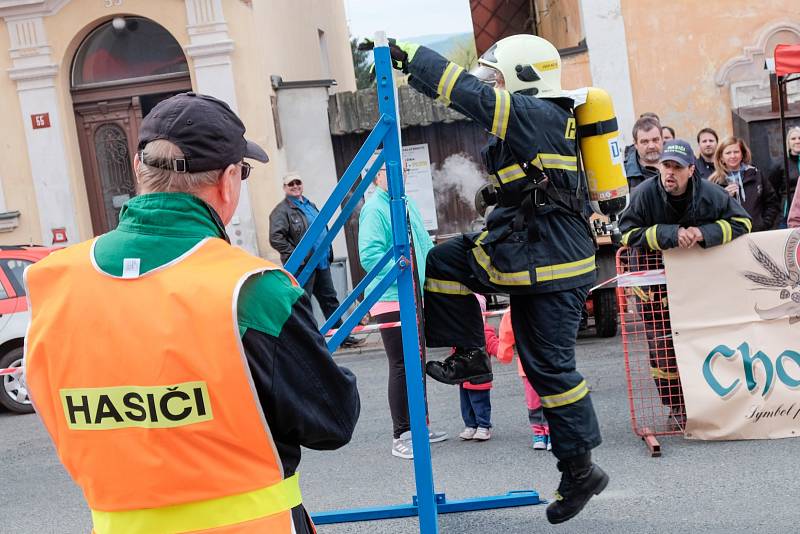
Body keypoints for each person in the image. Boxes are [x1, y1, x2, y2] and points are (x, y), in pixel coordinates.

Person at [23, 93, 360, 534]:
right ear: (227, 180)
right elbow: (332, 421)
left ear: (141, 173)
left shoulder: (53, 282)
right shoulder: (251, 291)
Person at [362, 34, 608, 524]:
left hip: (548, 263)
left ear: (521, 76)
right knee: (450, 263)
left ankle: (580, 468)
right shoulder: (540, 119)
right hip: (534, 255)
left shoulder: (532, 113)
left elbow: (469, 96)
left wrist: (412, 58)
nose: (491, 84)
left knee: (552, 370)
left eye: (497, 75)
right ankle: (472, 358)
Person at [618, 139, 752, 428]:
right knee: (663, 351)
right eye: (666, 165)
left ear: (691, 170)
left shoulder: (711, 194)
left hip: (698, 289)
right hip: (653, 292)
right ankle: (676, 405)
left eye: (677, 168)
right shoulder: (643, 194)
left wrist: (703, 233)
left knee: (702, 343)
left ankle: (707, 402)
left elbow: (744, 223)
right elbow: (626, 233)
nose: (669, 172)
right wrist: (671, 234)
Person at [357, 160, 447, 459]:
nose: (399, 176)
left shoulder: (404, 203)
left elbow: (421, 243)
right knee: (401, 364)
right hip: (393, 295)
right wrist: (402, 271)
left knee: (415, 362)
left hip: (412, 293)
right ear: (375, 177)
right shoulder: (375, 208)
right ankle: (401, 434)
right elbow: (369, 255)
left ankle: (418, 427)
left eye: (403, 171)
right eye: (389, 171)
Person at [269, 173, 364, 348]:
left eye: (298, 182)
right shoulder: (281, 211)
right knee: (303, 304)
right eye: (291, 184)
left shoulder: (309, 204)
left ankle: (342, 337)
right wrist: (299, 256)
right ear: (284, 188)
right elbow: (276, 238)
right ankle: (309, 344)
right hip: (303, 266)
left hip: (321, 262)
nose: (295, 186)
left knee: (330, 300)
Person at [496, 309, 552, 450]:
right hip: (529, 365)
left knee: (550, 398)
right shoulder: (513, 310)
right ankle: (539, 432)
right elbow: (506, 333)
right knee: (534, 402)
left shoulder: (547, 305)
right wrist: (504, 353)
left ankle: (552, 432)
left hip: (548, 363)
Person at [709, 137, 779, 232]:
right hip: (729, 237)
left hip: (757, 234)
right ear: (721, 157)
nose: (733, 156)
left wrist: (763, 224)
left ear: (742, 154)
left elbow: (772, 203)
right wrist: (724, 197)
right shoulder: (714, 182)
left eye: (736, 152)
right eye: (728, 153)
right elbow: (708, 213)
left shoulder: (756, 175)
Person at [457, 294, 500, 442]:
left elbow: (494, 345)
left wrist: (502, 349)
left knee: (480, 402)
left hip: (480, 376)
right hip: (464, 376)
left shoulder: (485, 331)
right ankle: (470, 425)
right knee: (466, 404)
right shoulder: (460, 332)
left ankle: (483, 426)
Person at [769, 126, 800, 227]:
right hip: (788, 212)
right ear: (788, 142)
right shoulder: (780, 164)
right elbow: (773, 189)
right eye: (793, 138)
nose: (797, 141)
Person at [625, 116, 663, 190]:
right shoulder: (624, 175)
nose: (651, 146)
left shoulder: (680, 164)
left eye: (655, 140)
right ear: (635, 144)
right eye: (645, 142)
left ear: (662, 139)